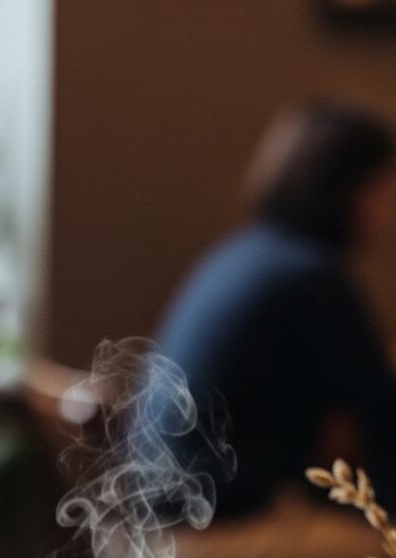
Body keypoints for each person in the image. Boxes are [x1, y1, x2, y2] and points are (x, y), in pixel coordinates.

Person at [156, 99, 396, 520]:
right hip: (214, 524)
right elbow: (381, 409)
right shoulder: (312, 277)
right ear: (349, 189)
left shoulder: (246, 253)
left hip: (163, 512)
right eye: (381, 187)